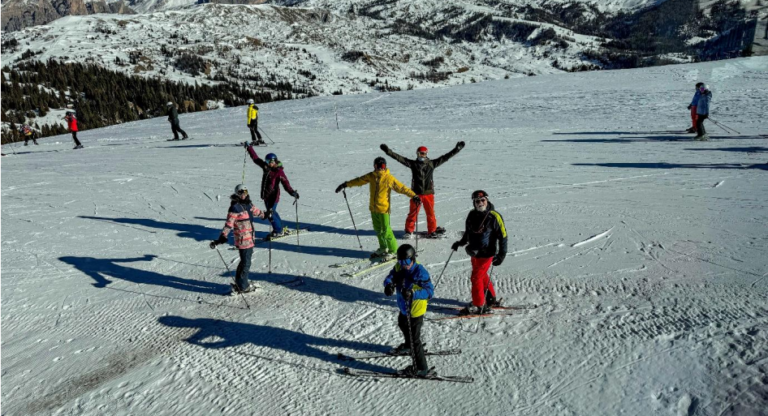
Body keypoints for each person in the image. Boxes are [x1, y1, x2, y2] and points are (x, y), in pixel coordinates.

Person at [335, 157, 419, 259]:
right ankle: (383, 248)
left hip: (384, 210)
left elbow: (401, 188)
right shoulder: (371, 176)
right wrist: (346, 184)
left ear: (385, 167)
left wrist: (414, 195)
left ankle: (393, 251)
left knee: (386, 231)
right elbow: (359, 180)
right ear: (374, 166)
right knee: (378, 230)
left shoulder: (388, 178)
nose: (380, 168)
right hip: (373, 209)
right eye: (377, 166)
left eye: (382, 166)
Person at [380, 141, 465, 238]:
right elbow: (399, 158)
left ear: (426, 154)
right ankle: (409, 231)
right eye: (419, 153)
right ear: (417, 154)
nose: (421, 155)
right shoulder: (413, 164)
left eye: (423, 153)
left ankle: (432, 231)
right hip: (415, 194)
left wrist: (456, 149)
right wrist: (388, 151)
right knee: (413, 213)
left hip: (428, 194)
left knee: (430, 213)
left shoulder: (432, 164)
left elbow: (446, 157)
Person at [450, 190, 508, 316]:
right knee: (481, 275)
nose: (480, 203)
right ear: (474, 203)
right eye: (477, 201)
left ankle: (479, 305)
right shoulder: (471, 215)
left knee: (476, 277)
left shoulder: (494, 216)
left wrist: (502, 254)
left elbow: (503, 236)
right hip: (474, 253)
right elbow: (468, 233)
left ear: (487, 200)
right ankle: (490, 299)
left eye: (483, 200)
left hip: (487, 253)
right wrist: (460, 243)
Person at [383, 244, 435, 377]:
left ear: (413, 259)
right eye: (400, 261)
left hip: (416, 310)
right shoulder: (399, 267)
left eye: (406, 262)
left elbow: (429, 292)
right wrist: (388, 285)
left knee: (415, 339)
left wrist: (413, 293)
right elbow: (391, 276)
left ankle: (421, 368)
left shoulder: (420, 272)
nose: (403, 264)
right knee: (402, 323)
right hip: (404, 308)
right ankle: (408, 345)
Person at [209, 184, 267, 293]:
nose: (244, 195)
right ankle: (243, 286)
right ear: (237, 193)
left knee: (245, 262)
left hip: (250, 237)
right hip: (242, 240)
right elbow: (228, 224)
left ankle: (240, 282)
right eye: (241, 193)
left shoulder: (248, 204)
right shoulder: (235, 207)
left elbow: (257, 212)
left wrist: (266, 214)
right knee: (246, 263)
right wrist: (222, 237)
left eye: (245, 192)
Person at [245, 144, 299, 239]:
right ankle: (281, 228)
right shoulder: (266, 168)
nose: (267, 163)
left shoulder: (279, 172)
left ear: (274, 161)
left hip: (274, 196)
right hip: (266, 196)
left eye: (269, 162)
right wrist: (249, 148)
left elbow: (286, 184)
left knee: (270, 214)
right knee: (273, 212)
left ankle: (278, 231)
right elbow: (256, 159)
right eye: (266, 161)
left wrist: (292, 192)